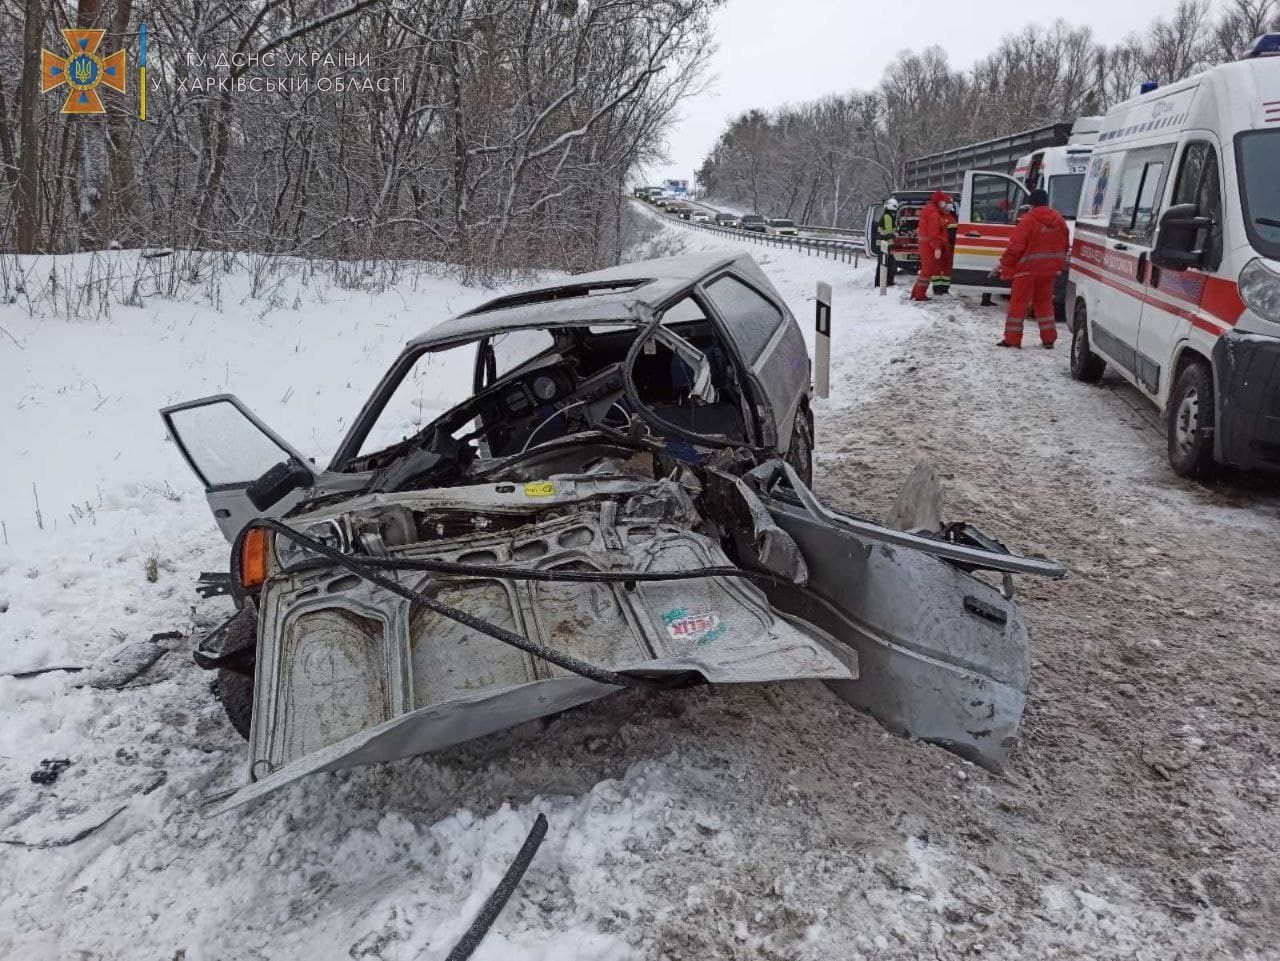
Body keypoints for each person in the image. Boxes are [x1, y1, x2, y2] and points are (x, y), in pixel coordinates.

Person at [993, 188, 1069, 349]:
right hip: (1049, 271)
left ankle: (1012, 339)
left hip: (1027, 271)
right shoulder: (1059, 220)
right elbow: (1065, 245)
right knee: (1044, 303)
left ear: (1031, 204)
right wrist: (1058, 264)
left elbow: (1015, 248)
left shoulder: (1028, 220)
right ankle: (1049, 339)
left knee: (1018, 304)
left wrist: (1006, 265)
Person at [911, 191, 950, 302]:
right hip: (930, 246)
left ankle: (916, 293)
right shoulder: (934, 214)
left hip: (926, 245)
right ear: (939, 202)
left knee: (925, 270)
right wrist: (937, 247)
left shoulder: (930, 210)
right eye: (944, 201)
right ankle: (919, 295)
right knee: (927, 271)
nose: (945, 204)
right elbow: (934, 233)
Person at [934, 199, 958, 295]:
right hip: (942, 245)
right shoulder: (941, 217)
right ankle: (938, 288)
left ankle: (943, 288)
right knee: (939, 267)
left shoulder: (951, 217)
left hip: (947, 246)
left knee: (945, 267)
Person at [875, 198, 899, 288]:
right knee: (884, 264)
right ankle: (882, 283)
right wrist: (895, 234)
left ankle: (886, 282)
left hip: (884, 244)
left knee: (886, 263)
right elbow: (888, 233)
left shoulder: (888, 216)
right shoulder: (887, 217)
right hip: (884, 244)